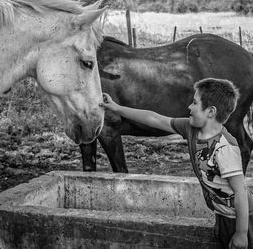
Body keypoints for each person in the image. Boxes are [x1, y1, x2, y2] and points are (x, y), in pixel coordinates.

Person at [99, 78, 253, 249]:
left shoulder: (225, 148)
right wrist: (117, 108)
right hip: (224, 214)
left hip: (243, 219)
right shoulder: (190, 128)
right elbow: (155, 118)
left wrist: (241, 233)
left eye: (195, 103)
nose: (189, 107)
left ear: (210, 111)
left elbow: (240, 193)